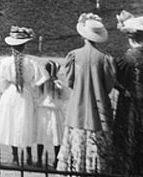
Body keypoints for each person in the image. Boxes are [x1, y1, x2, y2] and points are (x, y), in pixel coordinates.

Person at [56, 13, 115, 173]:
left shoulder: (74, 56)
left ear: (83, 36)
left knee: (75, 145)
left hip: (77, 108)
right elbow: (108, 86)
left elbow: (69, 82)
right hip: (99, 109)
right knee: (98, 147)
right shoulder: (104, 59)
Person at [0, 26, 43, 166]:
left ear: (11, 46)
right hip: (26, 93)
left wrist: (8, 86)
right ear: (25, 46)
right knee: (27, 122)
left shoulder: (5, 63)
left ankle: (15, 157)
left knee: (12, 123)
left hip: (11, 94)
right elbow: (40, 80)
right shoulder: (31, 62)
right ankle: (29, 156)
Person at [111, 11, 143, 176]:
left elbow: (114, 81)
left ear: (131, 39)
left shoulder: (124, 60)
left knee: (128, 137)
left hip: (128, 104)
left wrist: (124, 89)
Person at [34, 60, 68, 169]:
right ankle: (56, 161)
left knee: (41, 134)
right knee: (56, 136)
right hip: (55, 112)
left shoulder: (41, 82)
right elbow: (65, 96)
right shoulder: (59, 83)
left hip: (42, 111)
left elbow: (36, 96)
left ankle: (39, 160)